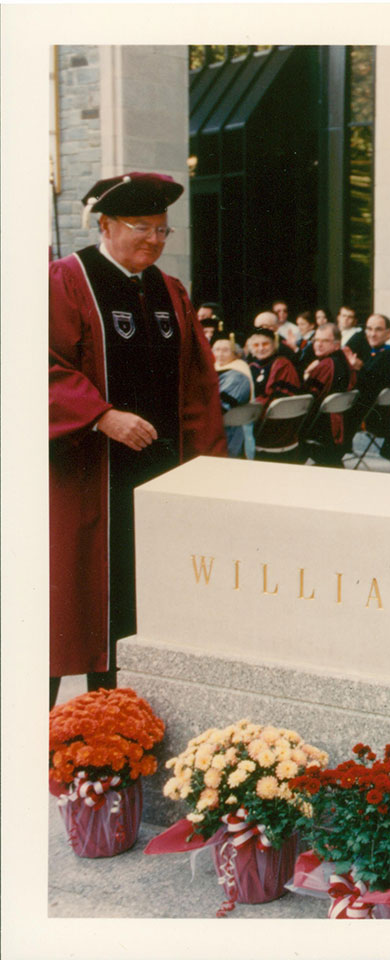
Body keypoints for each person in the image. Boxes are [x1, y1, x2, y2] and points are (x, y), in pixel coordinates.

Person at [49, 171, 226, 706]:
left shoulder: (170, 291)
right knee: (70, 612)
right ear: (105, 224)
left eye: (162, 230)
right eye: (141, 226)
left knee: (140, 610)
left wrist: (206, 466)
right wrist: (100, 415)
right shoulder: (66, 279)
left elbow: (197, 383)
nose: (154, 239)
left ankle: (123, 727)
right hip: (87, 477)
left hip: (156, 478)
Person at [345, 312, 390, 459]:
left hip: (373, 418)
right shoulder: (384, 353)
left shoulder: (388, 355)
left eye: (378, 329)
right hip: (383, 417)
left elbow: (368, 385)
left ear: (388, 333)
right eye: (369, 329)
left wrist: (358, 368)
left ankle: (335, 455)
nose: (372, 334)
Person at [300, 322, 356, 467]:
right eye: (316, 340)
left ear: (337, 345)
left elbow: (307, 399)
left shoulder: (326, 365)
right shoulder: (344, 361)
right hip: (339, 429)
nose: (318, 344)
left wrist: (306, 374)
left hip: (321, 431)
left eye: (325, 341)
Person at [244, 328, 303, 460]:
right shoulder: (251, 366)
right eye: (256, 345)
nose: (260, 348)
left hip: (275, 428)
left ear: (274, 345)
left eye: (265, 344)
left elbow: (280, 402)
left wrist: (250, 409)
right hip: (258, 420)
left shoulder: (282, 364)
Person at [212, 338, 254, 458]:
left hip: (231, 431)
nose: (220, 354)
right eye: (216, 350)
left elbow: (222, 407)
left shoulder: (237, 374)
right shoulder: (215, 367)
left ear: (235, 354)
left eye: (225, 350)